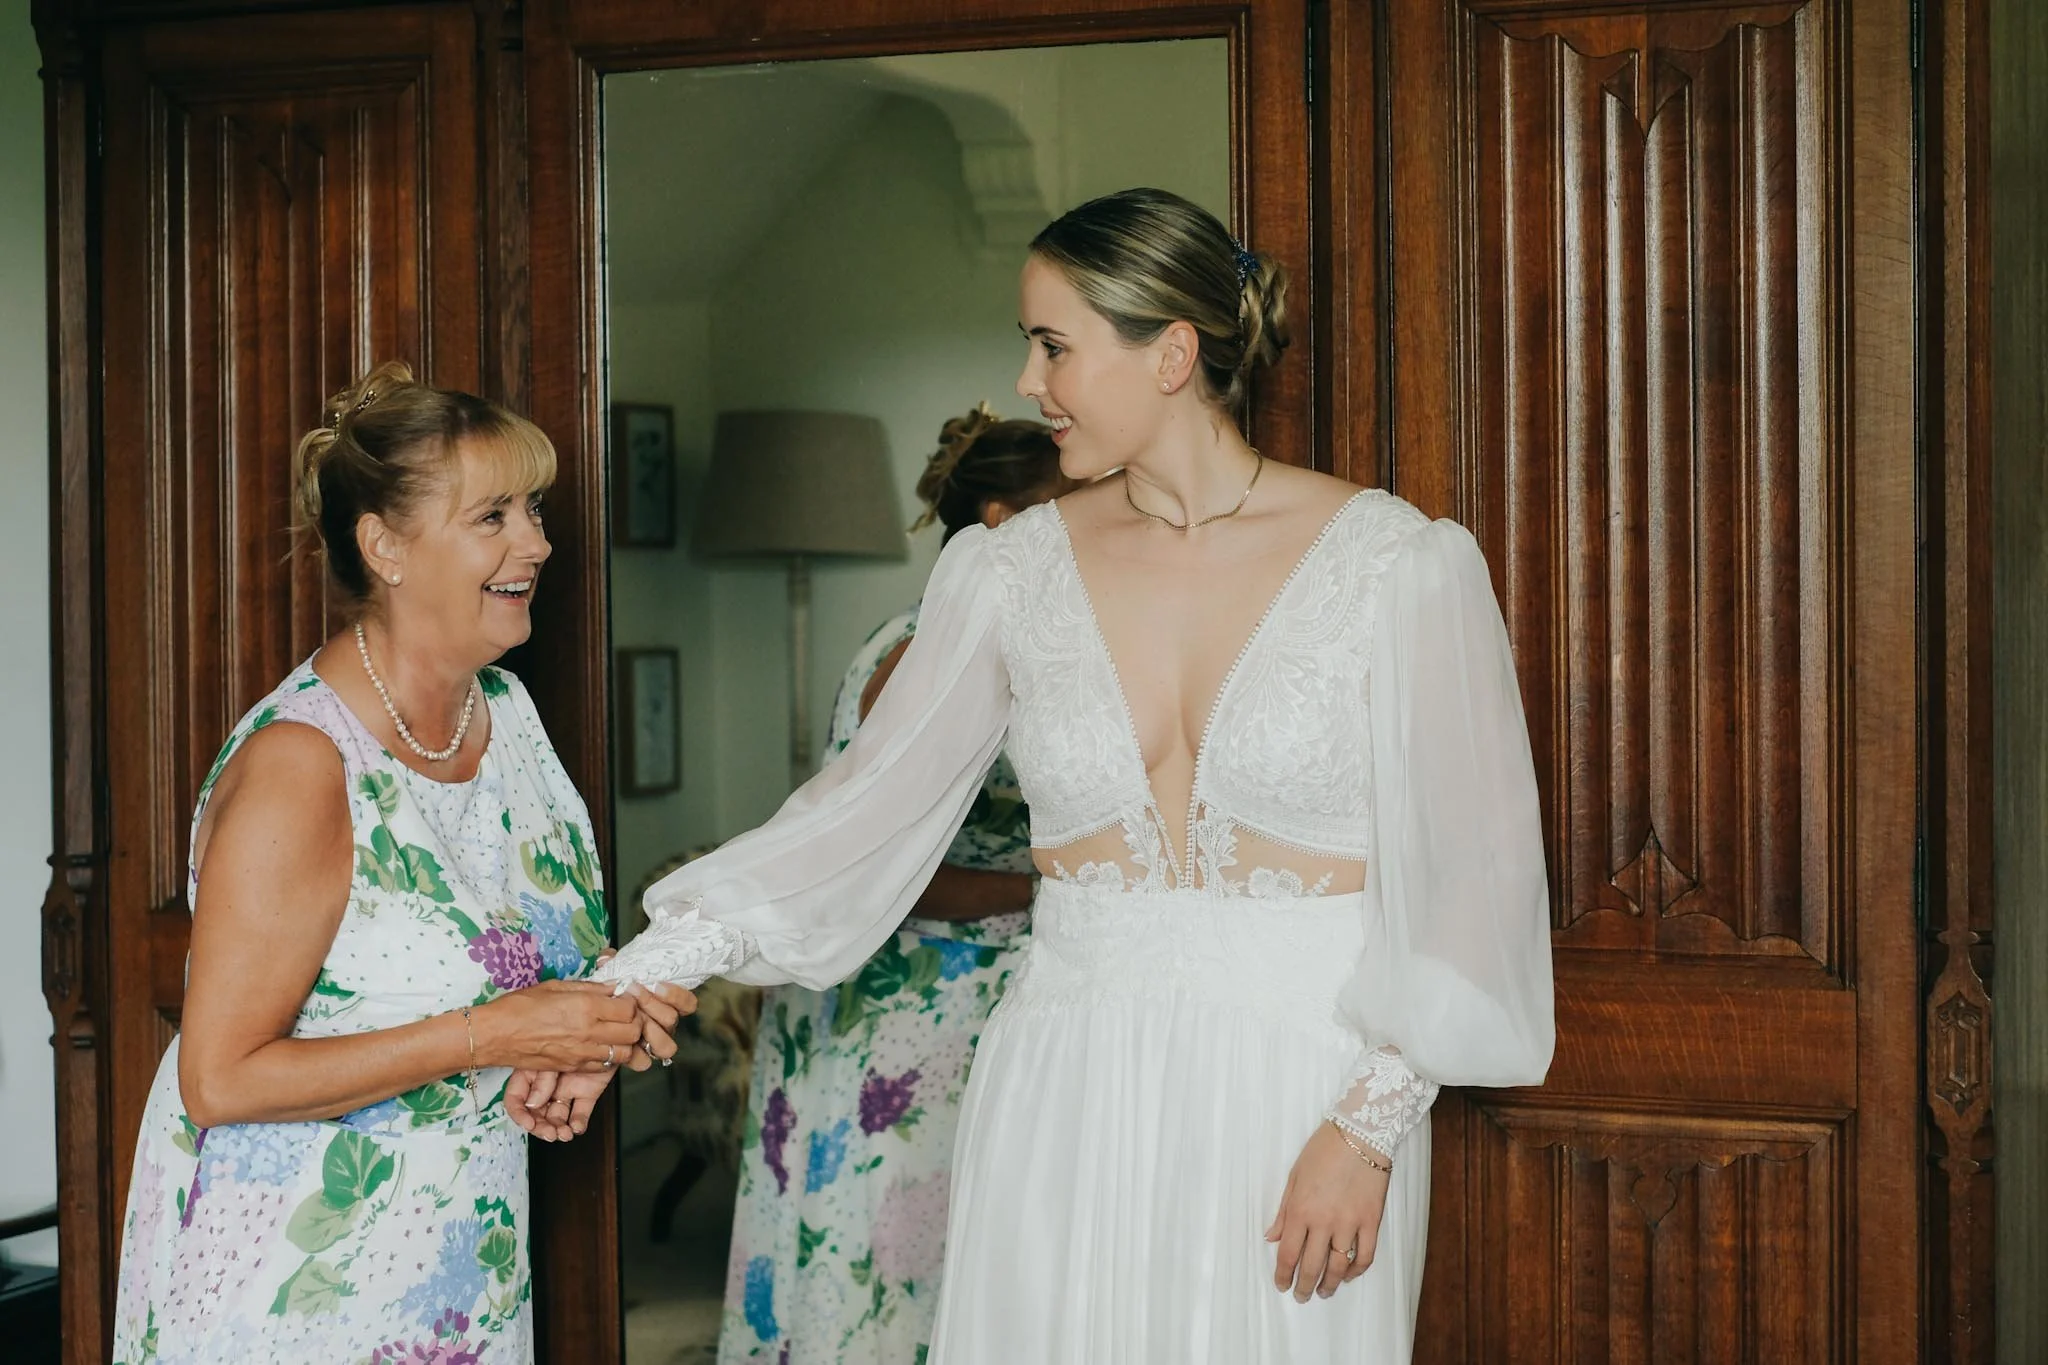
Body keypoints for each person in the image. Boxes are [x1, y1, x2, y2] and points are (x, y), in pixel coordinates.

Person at [590, 187, 1555, 1364]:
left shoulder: (1398, 564)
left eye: (1052, 345)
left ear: (1173, 354)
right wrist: (645, 972)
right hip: (1062, 1079)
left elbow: (1472, 883)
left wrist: (1364, 1133)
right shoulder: (1007, 574)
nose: (1030, 382)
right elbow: (855, 817)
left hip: (1303, 1090)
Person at [112, 362, 694, 1364]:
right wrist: (492, 1034)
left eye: (535, 509)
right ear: (383, 545)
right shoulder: (302, 764)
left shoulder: (505, 716)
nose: (538, 543)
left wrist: (601, 1029)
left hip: (458, 1272)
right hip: (294, 1288)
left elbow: (536, 979)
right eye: (494, 517)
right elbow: (220, 1079)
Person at [718, 405, 1076, 1364]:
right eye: (1068, 507)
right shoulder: (921, 654)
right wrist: (1058, 892)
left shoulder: (1045, 649)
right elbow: (880, 873)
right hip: (900, 1007)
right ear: (1001, 521)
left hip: (976, 1002)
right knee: (888, 1264)